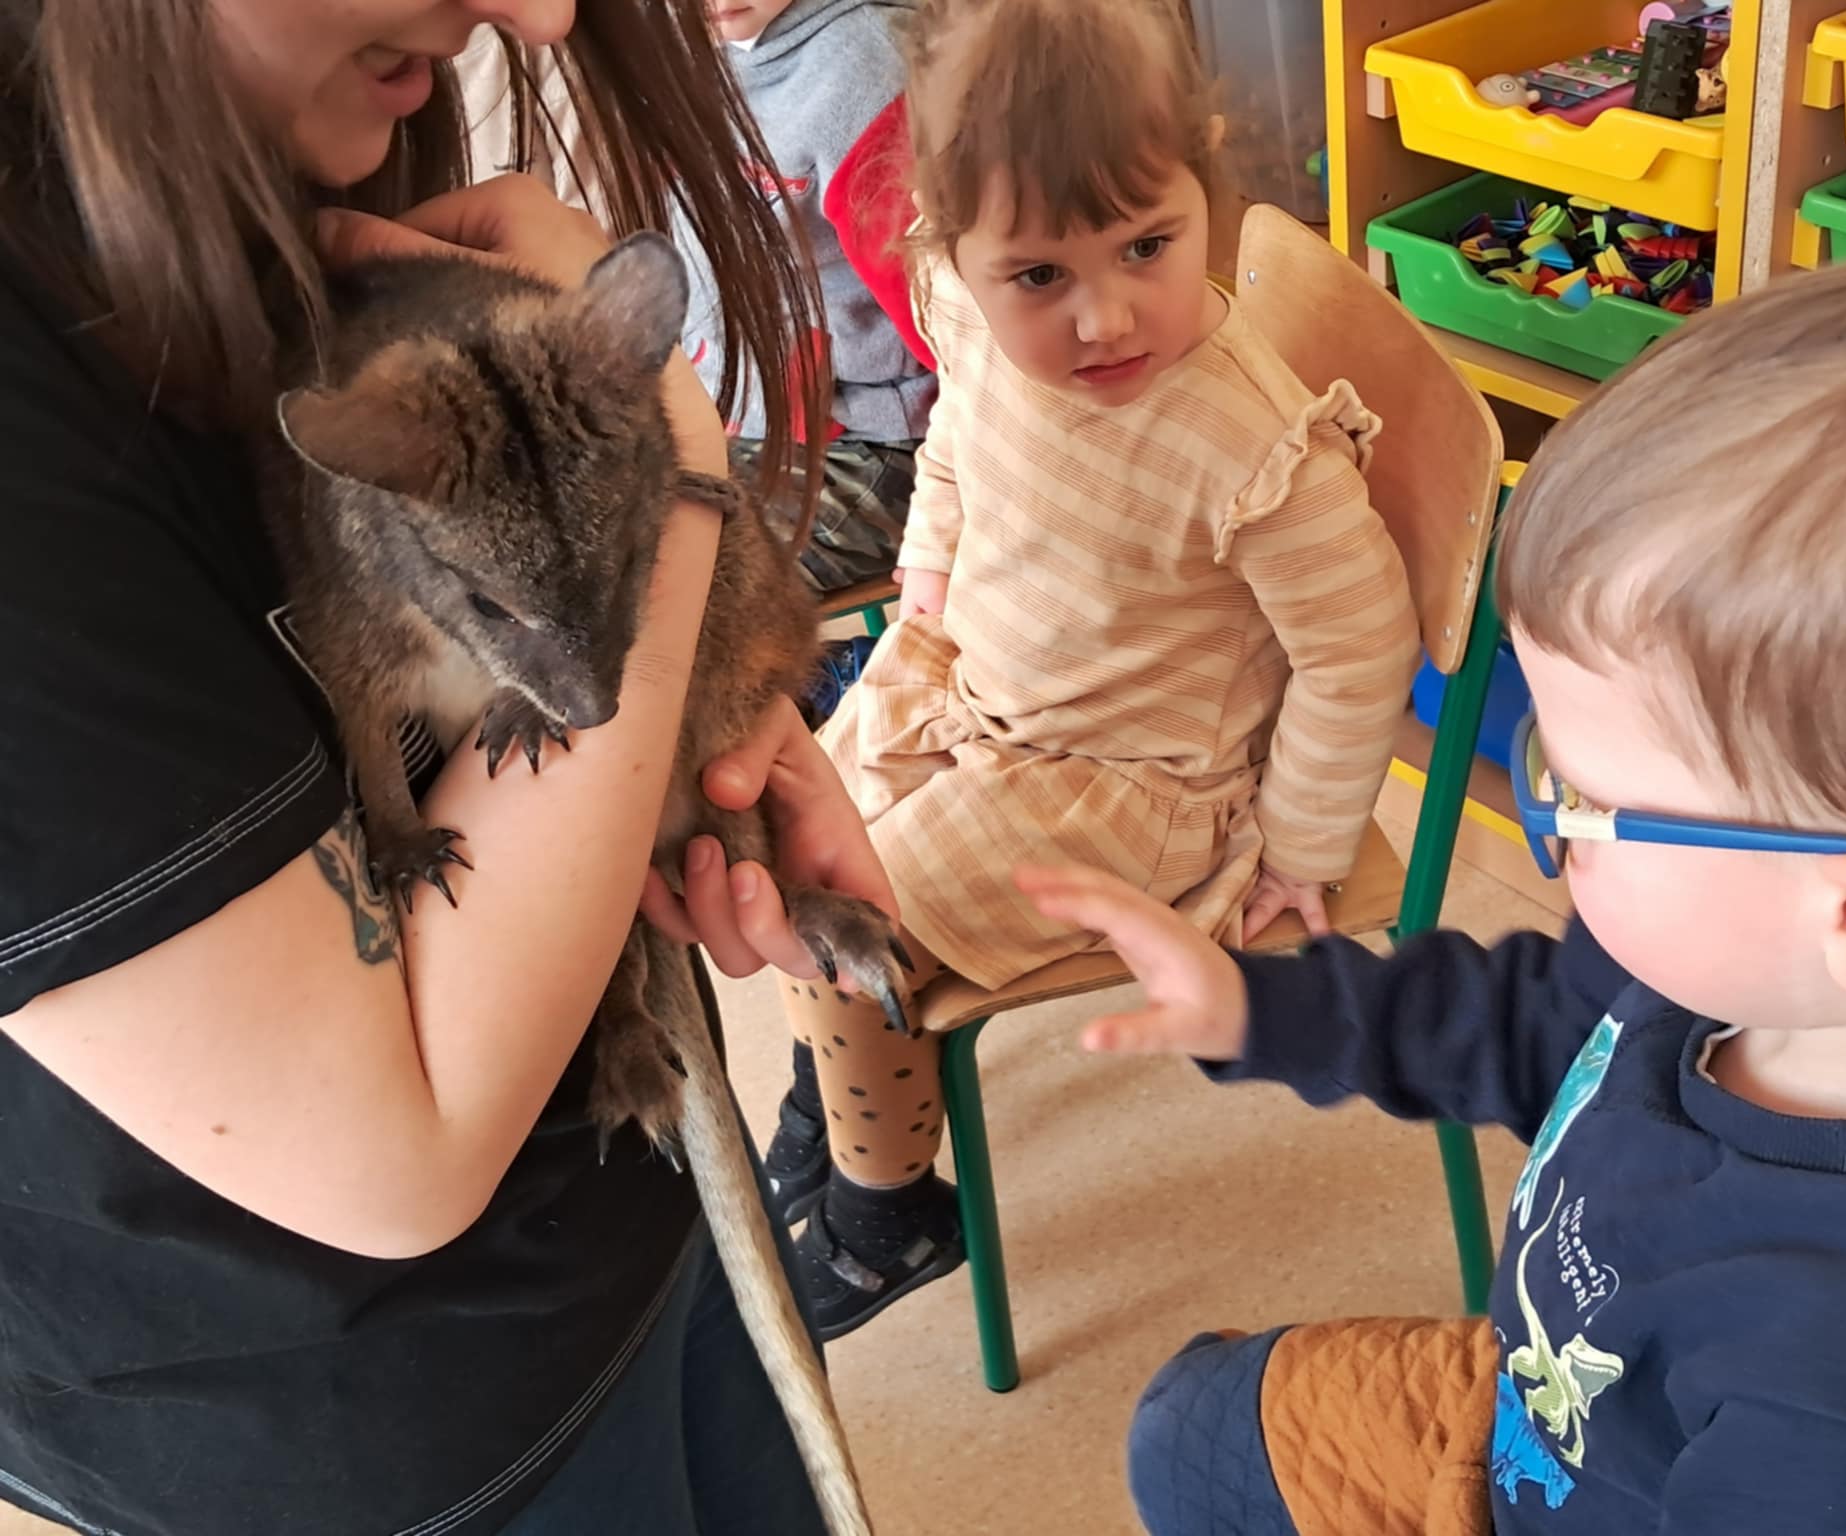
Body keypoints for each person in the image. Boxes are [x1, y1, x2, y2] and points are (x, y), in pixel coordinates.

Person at [0, 4, 892, 1534]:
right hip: (366, 1426)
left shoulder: (279, 142)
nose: (539, 18)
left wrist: (696, 741)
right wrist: (665, 432)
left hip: (618, 1176)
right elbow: (391, 1154)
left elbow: (531, 597)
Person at [1021, 232, 1846, 1534]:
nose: (1548, 823)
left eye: (1585, 797)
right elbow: (1541, 1028)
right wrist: (1252, 1008)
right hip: (1545, 1414)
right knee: (1195, 1428)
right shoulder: (1735, 960)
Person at [762, 0, 1421, 1340]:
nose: (1106, 316)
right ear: (950, 250)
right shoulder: (963, 307)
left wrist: (1302, 843)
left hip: (1137, 783)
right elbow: (955, 436)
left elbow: (1359, 649)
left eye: (1146, 247)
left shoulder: (1254, 449)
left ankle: (888, 1215)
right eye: (1038, 278)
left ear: (1201, 187)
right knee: (789, 844)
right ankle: (840, 1087)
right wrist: (930, 561)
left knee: (844, 921)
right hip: (974, 675)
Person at [692, 0, 937, 602]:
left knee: (691, 596)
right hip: (749, 418)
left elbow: (944, 320)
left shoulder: (864, 73)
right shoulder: (699, 55)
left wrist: (952, 508)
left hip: (882, 443)